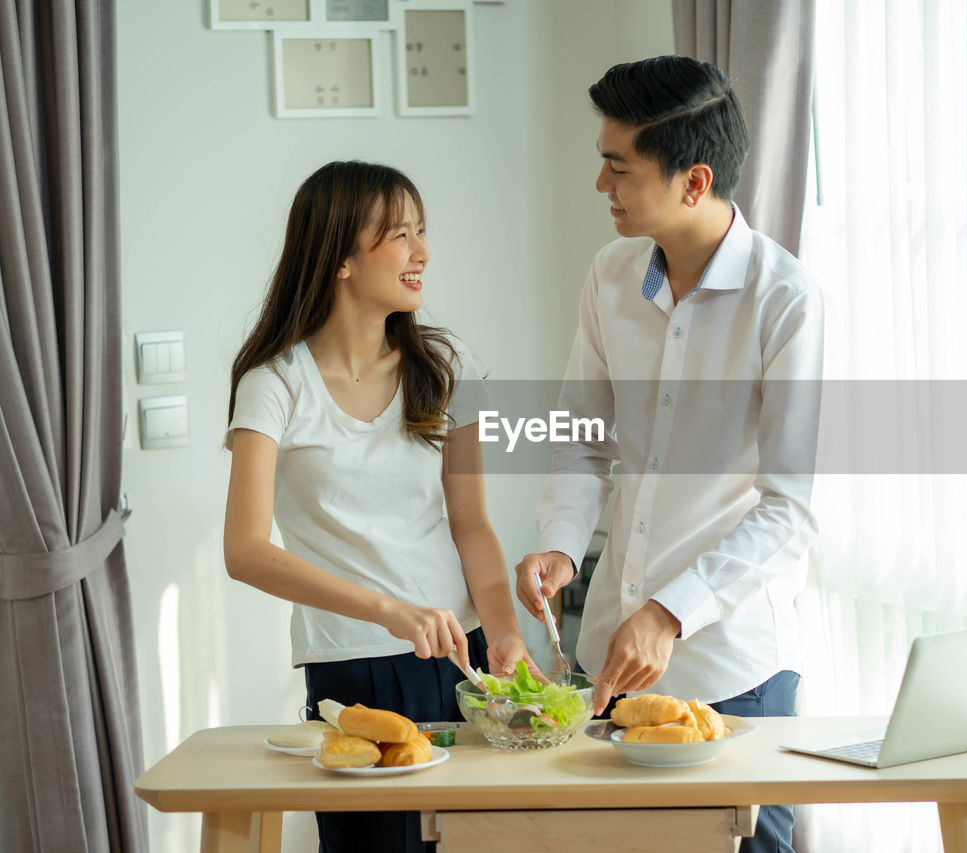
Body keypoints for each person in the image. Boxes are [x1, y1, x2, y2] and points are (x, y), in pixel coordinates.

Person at [513, 56, 823, 853]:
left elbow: (789, 510)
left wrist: (672, 610)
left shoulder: (784, 300)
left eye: (619, 167)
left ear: (695, 180)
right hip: (614, 659)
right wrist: (560, 545)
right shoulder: (610, 276)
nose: (600, 186)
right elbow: (584, 438)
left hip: (734, 666)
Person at [223, 160, 532, 852]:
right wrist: (388, 608)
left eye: (422, 232)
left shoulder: (447, 367)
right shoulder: (275, 384)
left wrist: (505, 632)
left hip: (460, 662)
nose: (422, 252)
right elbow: (244, 551)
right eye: (400, 234)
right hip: (354, 666)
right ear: (339, 259)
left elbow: (472, 525)